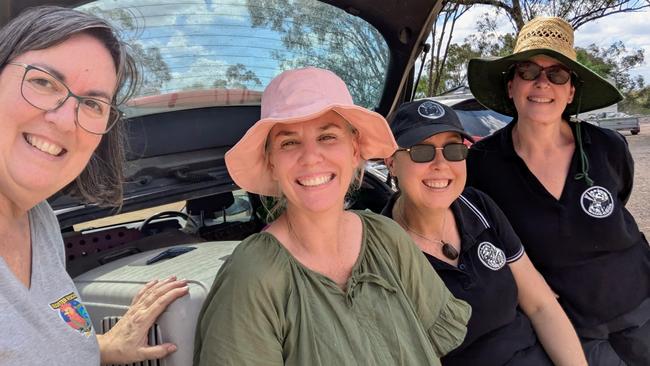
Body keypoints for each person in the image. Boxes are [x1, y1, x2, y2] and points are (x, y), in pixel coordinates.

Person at [193, 67, 471, 365]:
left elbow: (430, 349)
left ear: (354, 150)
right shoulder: (253, 276)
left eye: (327, 136)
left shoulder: (387, 237)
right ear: (271, 161)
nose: (311, 157)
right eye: (289, 142)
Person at [0, 6, 188, 365]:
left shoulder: (39, 221)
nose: (66, 121)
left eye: (91, 104)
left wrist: (101, 347)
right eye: (43, 82)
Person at [466, 16, 650, 365]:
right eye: (528, 72)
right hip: (571, 331)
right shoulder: (480, 164)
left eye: (557, 74)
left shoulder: (606, 146)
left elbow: (619, 199)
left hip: (643, 306)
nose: (542, 84)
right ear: (510, 86)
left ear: (571, 92)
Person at [381, 99, 587, 366]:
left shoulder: (478, 206)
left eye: (454, 150)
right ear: (391, 162)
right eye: (422, 151)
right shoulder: (381, 248)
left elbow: (541, 306)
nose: (441, 164)